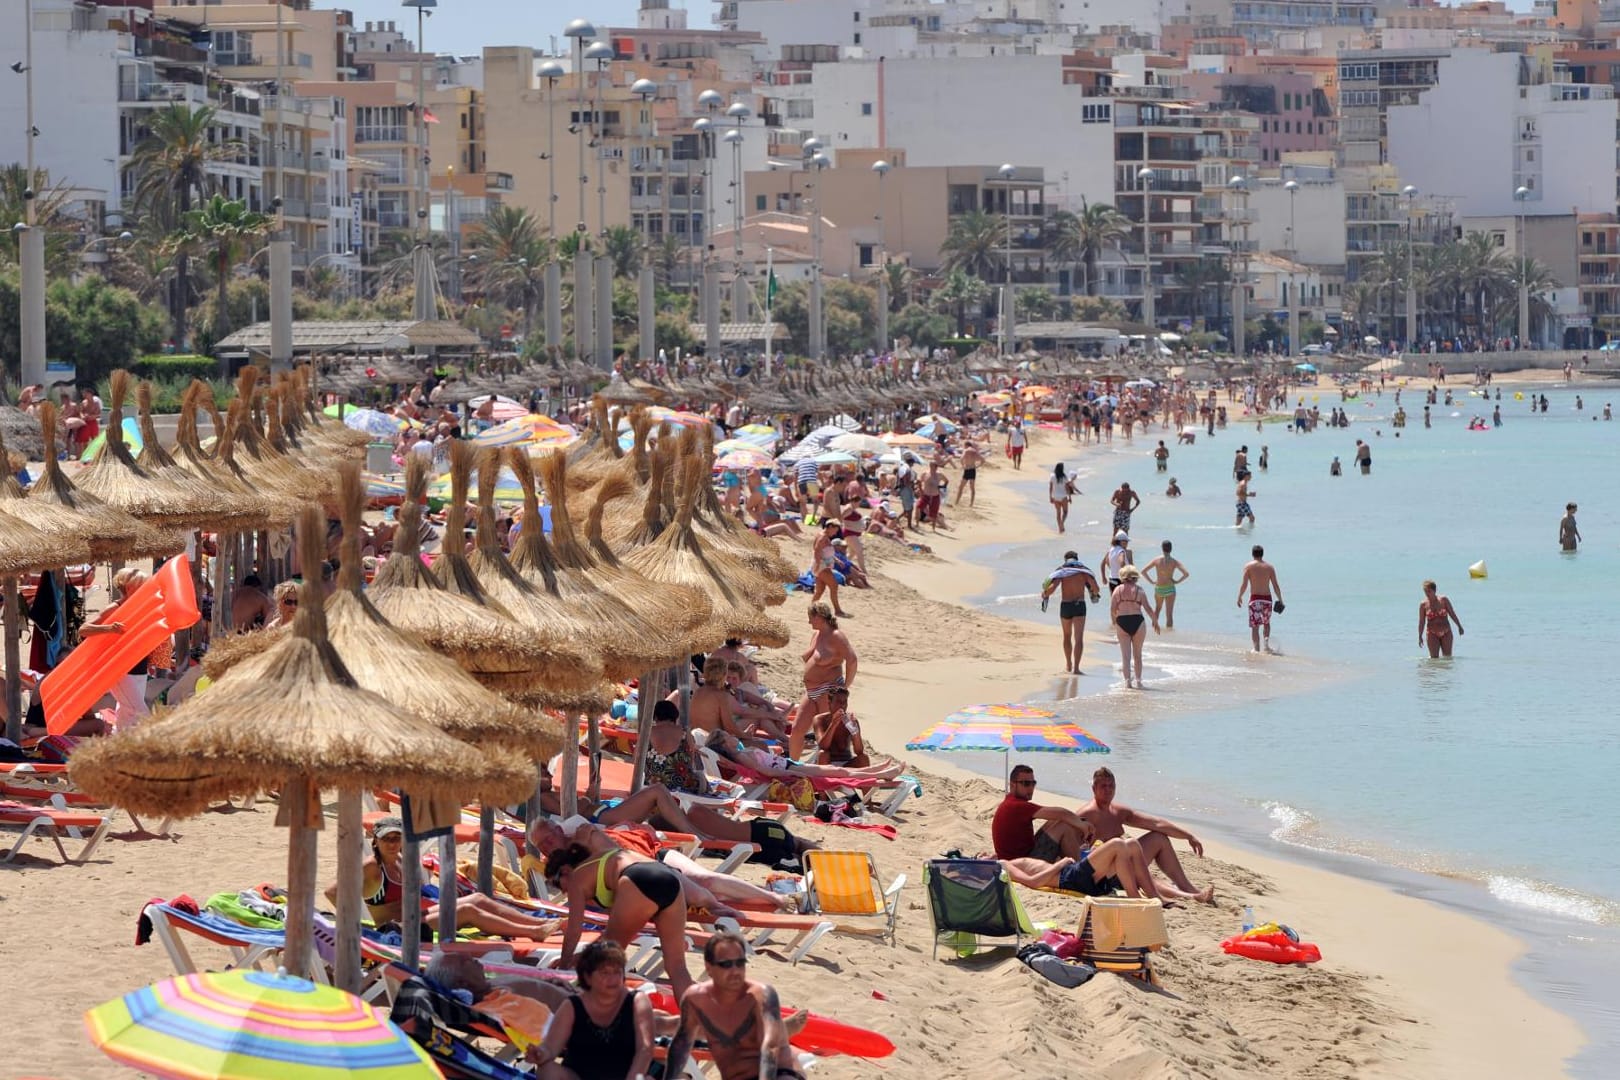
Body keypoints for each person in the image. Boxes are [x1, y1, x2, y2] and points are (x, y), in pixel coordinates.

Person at [333, 817, 563, 942]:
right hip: (393, 929)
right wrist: (363, 921)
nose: (393, 844)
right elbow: (332, 892)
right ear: (376, 841)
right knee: (469, 911)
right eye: (387, 840)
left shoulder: (401, 859)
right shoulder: (372, 866)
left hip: (414, 918)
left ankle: (537, 924)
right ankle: (534, 933)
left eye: (397, 838)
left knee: (478, 898)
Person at [546, 843, 700, 1002]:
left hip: (639, 878)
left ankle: (599, 1016)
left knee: (607, 960)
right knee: (677, 967)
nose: (563, 892)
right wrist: (581, 956)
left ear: (565, 870)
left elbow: (573, 932)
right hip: (670, 878)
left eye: (557, 884)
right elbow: (611, 935)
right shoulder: (603, 861)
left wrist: (562, 971)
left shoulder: (576, 878)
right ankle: (696, 1021)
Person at [663, 931, 803, 1080]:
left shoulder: (761, 995)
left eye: (740, 963)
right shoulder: (695, 998)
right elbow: (681, 1044)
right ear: (709, 968)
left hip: (779, 1072)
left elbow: (770, 1048)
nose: (735, 971)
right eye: (726, 964)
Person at [1075, 766, 1214, 903]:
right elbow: (1071, 846)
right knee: (1143, 876)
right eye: (1103, 786)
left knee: (1159, 838)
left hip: (1124, 863)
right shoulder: (1087, 814)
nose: (1108, 790)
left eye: (1111, 786)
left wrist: (1188, 836)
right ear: (1094, 789)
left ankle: (1188, 888)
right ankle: (1191, 897)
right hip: (1104, 873)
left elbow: (1156, 823)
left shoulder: (1118, 811)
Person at [525, 940, 656, 1079]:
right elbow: (551, 1047)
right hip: (578, 1077)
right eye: (605, 973)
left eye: (617, 972)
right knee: (547, 1070)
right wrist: (541, 1053)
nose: (613, 979)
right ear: (587, 977)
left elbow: (645, 1049)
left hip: (625, 1077)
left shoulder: (637, 1001)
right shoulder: (573, 1006)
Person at [79, 567, 151, 731]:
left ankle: (118, 749)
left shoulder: (142, 606)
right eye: (142, 585)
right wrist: (109, 628)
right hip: (119, 669)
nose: (145, 588)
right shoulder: (115, 607)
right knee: (140, 713)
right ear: (130, 587)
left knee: (126, 713)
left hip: (139, 667)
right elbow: (83, 629)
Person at [991, 764, 1094, 863]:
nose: (1031, 788)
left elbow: (1058, 815)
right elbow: (1062, 813)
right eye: (1026, 783)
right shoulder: (1017, 806)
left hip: (1020, 857)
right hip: (1021, 864)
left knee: (1057, 820)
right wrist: (1082, 825)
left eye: (1033, 783)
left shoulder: (1010, 802)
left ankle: (1072, 859)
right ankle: (1079, 872)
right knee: (1063, 825)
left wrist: (1079, 822)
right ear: (1012, 785)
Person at [792, 602, 856, 761]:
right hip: (812, 691)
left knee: (826, 735)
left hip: (828, 690)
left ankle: (828, 771)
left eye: (810, 618)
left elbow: (852, 660)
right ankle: (792, 766)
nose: (809, 622)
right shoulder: (817, 635)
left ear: (819, 617)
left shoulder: (836, 636)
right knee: (797, 730)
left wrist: (845, 687)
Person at [1039, 550, 1100, 675]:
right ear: (1077, 558)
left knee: (1067, 636)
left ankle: (1068, 664)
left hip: (1066, 605)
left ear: (1065, 560)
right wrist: (1091, 591)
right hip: (1079, 605)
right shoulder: (1083, 572)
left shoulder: (1062, 572)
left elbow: (1052, 589)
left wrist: (1044, 594)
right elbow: (1096, 588)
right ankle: (1076, 668)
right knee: (1079, 638)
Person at [1109, 565, 1158, 690]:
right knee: (1138, 655)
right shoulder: (1139, 590)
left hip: (1122, 621)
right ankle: (1139, 681)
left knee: (1125, 656)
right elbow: (1148, 608)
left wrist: (1115, 623)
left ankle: (1127, 683)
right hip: (1138, 621)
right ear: (1135, 577)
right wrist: (1155, 622)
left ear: (1122, 577)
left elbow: (1112, 609)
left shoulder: (1117, 590)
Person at [1237, 544, 1282, 653]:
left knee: (1255, 626)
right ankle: (1266, 644)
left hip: (1255, 600)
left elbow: (1244, 584)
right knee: (1266, 623)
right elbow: (1275, 585)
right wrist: (1280, 599)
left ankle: (1256, 649)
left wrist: (1239, 596)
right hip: (1267, 599)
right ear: (1262, 554)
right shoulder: (1270, 567)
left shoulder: (1248, 566)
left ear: (1252, 554)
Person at [810, 686, 868, 767]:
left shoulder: (851, 721)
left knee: (863, 758)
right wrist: (833, 724)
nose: (842, 705)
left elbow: (859, 751)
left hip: (846, 762)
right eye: (838, 701)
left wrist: (855, 733)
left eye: (845, 701)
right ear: (829, 703)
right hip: (827, 762)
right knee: (823, 754)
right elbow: (823, 746)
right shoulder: (820, 719)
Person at [1142, 540, 1188, 630]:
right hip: (1170, 588)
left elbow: (1143, 571)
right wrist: (1177, 581)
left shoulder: (1156, 560)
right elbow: (1186, 574)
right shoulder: (1174, 562)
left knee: (1157, 610)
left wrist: (1151, 581)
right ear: (1171, 549)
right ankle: (1169, 636)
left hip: (1159, 588)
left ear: (1162, 548)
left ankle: (1155, 631)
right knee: (1169, 614)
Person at [808, 520, 846, 617]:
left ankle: (812, 609)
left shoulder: (824, 536)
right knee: (834, 585)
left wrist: (836, 560)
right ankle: (837, 610)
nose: (835, 533)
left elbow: (826, 551)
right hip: (821, 565)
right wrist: (817, 564)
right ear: (829, 527)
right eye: (835, 530)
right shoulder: (822, 537)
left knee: (820, 589)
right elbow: (817, 550)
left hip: (822, 565)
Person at [1418, 579, 1464, 658]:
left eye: (1429, 591)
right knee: (1434, 660)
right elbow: (1422, 622)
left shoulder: (1443, 600)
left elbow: (1452, 614)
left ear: (1434, 590)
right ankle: (1435, 671)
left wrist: (1459, 626)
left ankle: (1444, 671)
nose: (1427, 594)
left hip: (1446, 632)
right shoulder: (1423, 605)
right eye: (1425, 591)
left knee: (1447, 658)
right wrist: (1420, 636)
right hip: (1432, 633)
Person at [1048, 463, 1076, 534]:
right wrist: (1069, 497)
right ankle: (1062, 523)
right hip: (1063, 496)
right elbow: (1067, 488)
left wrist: (1050, 497)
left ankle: (1060, 528)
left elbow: (1050, 487)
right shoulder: (1064, 477)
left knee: (1058, 513)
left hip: (1055, 496)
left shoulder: (1052, 476)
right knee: (1065, 512)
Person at [955, 442, 982, 507]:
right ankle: (971, 504)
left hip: (967, 469)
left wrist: (963, 465)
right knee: (972, 488)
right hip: (973, 469)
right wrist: (977, 466)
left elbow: (961, 459)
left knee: (961, 487)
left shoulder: (966, 450)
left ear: (966, 445)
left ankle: (957, 502)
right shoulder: (974, 451)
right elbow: (983, 460)